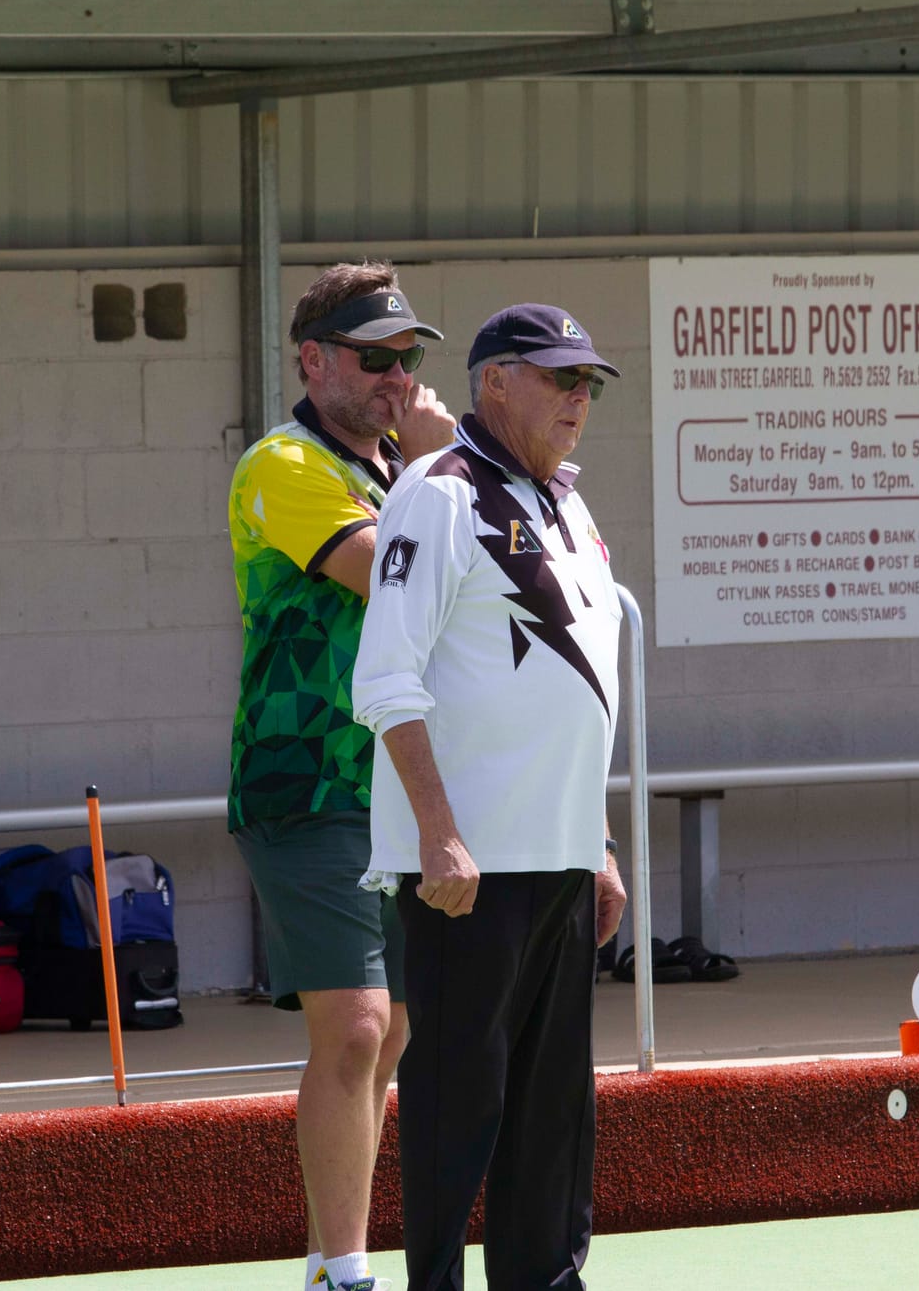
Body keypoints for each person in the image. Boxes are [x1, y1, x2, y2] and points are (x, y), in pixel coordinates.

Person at [352, 304, 630, 1290]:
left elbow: (574, 691)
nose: (576, 399)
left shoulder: (567, 502)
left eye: (586, 384)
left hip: (555, 859)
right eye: (557, 379)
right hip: (468, 870)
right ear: (493, 383)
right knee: (454, 1108)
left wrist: (595, 842)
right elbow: (385, 679)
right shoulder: (437, 493)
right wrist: (438, 835)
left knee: (553, 1113)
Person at [227, 261, 458, 1291]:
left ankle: (333, 1255)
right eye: (375, 360)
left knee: (395, 1027)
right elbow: (389, 573)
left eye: (408, 360)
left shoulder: (402, 471)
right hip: (304, 782)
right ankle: (345, 1273)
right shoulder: (282, 463)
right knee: (357, 1023)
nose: (398, 380)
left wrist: (439, 473)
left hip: (397, 785)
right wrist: (442, 471)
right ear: (313, 360)